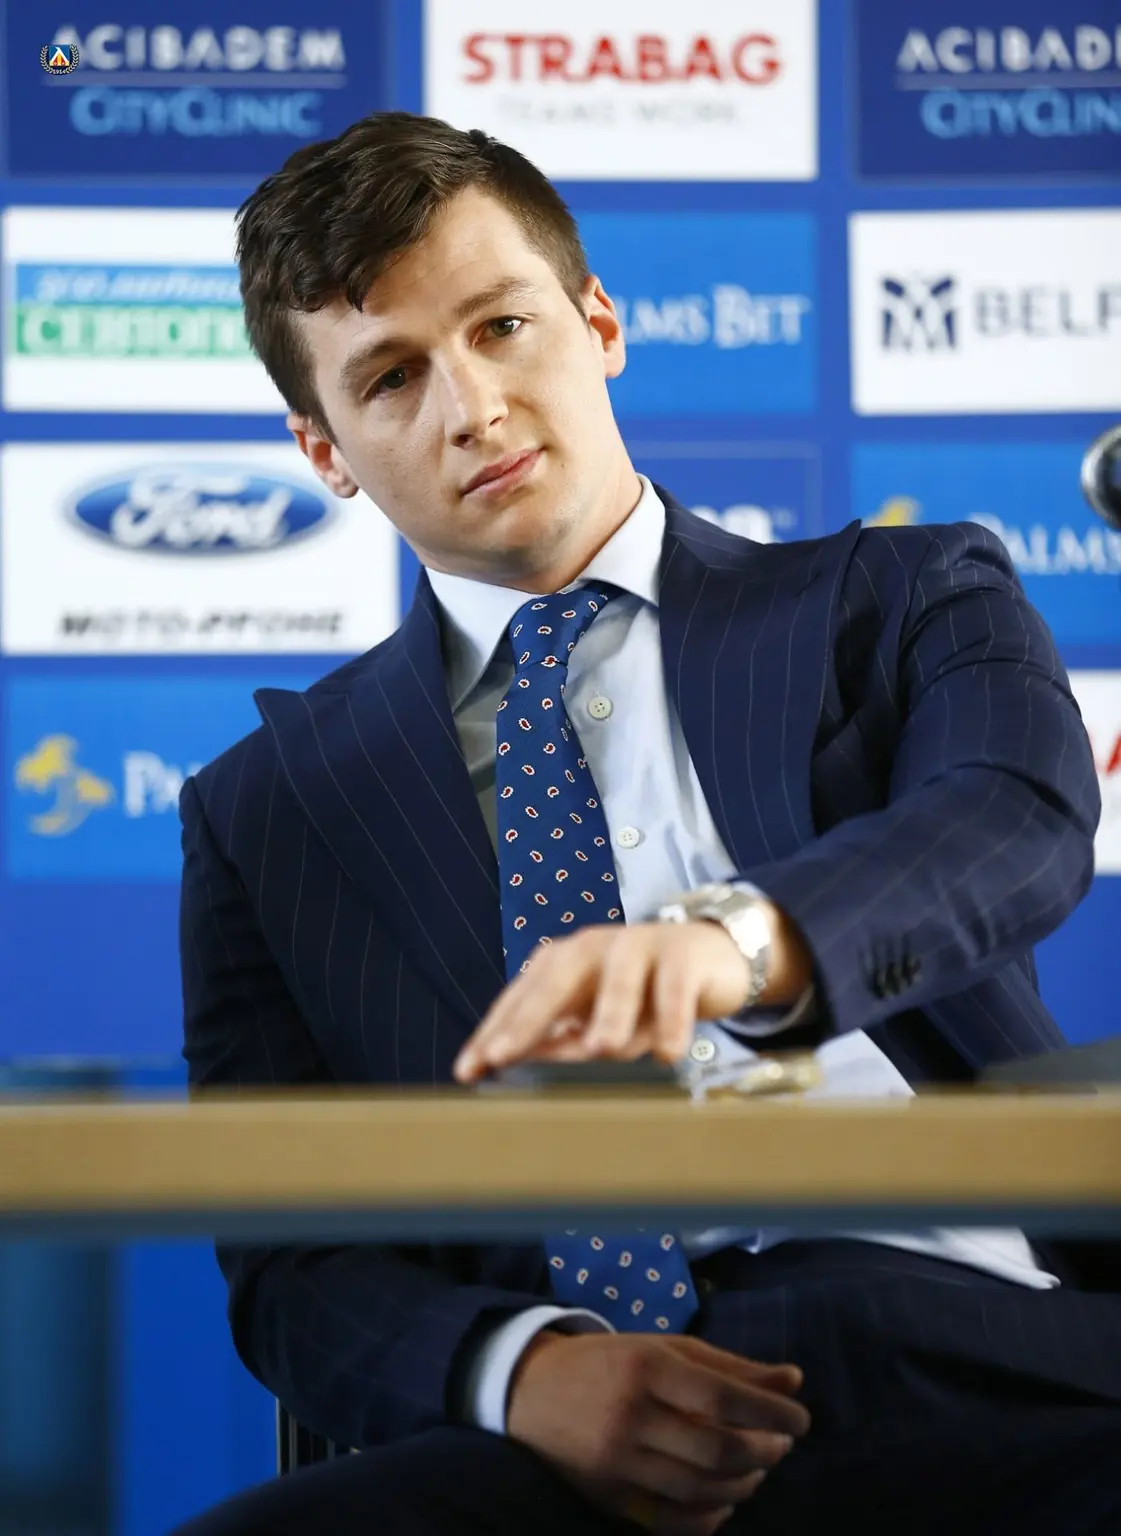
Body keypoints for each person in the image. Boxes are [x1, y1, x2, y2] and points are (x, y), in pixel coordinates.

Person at [174, 111, 1121, 1536]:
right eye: (392, 377)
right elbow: (291, 1260)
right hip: (563, 1431)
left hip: (962, 1346)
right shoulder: (263, 812)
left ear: (600, 323)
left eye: (502, 326)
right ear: (327, 452)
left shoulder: (906, 593)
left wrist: (733, 946)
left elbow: (1012, 818)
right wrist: (519, 1372)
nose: (473, 408)